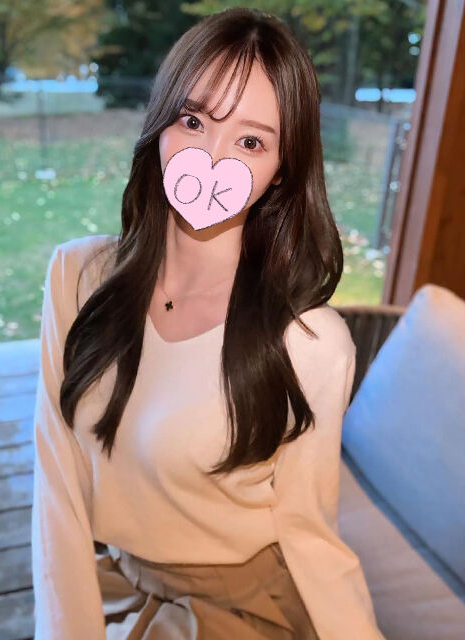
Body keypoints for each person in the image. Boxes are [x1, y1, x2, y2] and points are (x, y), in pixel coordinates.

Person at [31, 7, 386, 640]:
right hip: (119, 581)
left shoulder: (309, 344)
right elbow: (57, 485)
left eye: (251, 142)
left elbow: (309, 533)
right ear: (159, 124)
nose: (211, 158)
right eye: (193, 121)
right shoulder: (76, 277)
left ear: (282, 169)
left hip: (244, 606)